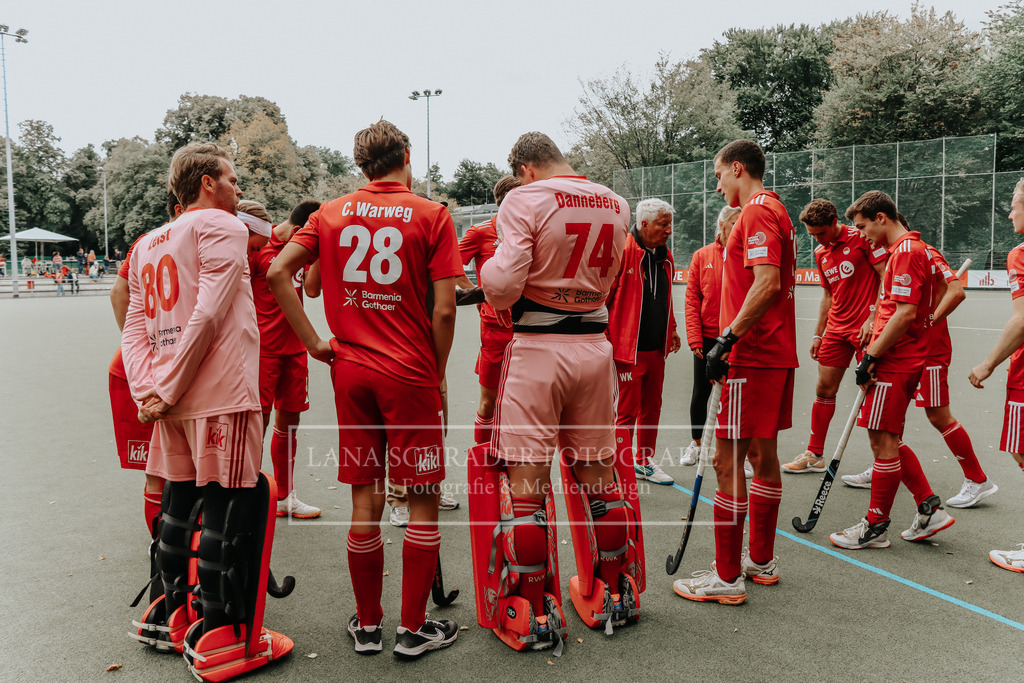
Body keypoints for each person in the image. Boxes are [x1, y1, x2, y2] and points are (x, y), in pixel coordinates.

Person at [268, 120, 461, 659]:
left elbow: (280, 272)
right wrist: (435, 370)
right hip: (409, 372)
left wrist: (313, 342)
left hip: (351, 371)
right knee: (421, 497)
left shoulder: (329, 212)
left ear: (360, 165)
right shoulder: (432, 214)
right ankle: (413, 629)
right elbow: (446, 310)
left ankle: (369, 626)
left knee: (365, 495)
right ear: (406, 154)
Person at [122, 143, 293, 679]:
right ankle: (226, 633)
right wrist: (167, 388)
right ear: (207, 183)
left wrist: (149, 390)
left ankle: (175, 616)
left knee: (177, 504)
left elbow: (134, 328)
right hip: (218, 390)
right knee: (228, 507)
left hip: (170, 397)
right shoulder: (221, 225)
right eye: (232, 179)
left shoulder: (148, 241)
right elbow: (209, 312)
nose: (238, 189)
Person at [475, 131, 639, 649]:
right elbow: (613, 275)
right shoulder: (615, 202)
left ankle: (532, 611)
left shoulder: (524, 198)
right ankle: (615, 591)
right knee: (600, 478)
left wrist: (487, 271)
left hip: (538, 348)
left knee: (527, 484)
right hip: (594, 346)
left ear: (525, 169)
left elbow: (503, 286)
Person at [673, 140, 796, 605]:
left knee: (727, 462)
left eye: (719, 174)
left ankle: (726, 578)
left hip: (751, 356)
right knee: (763, 458)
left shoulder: (757, 211)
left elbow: (767, 282)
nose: (717, 184)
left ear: (738, 168)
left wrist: (726, 339)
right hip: (772, 354)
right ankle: (760, 561)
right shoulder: (776, 209)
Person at [829, 191, 955, 550]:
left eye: (863, 226)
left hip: (894, 361)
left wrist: (870, 356)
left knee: (882, 441)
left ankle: (875, 526)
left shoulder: (906, 252)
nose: (861, 235)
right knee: (889, 439)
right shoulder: (907, 250)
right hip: (898, 359)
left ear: (881, 217)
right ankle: (928, 507)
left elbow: (904, 314)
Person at [782, 199, 886, 474]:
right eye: (812, 235)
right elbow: (828, 295)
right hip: (836, 330)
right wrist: (818, 334)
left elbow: (885, 277)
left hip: (865, 331)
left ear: (834, 223)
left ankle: (882, 462)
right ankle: (815, 455)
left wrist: (872, 318)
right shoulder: (821, 253)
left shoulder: (862, 238)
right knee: (824, 390)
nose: (817, 239)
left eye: (821, 233)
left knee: (872, 394)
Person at [248, 198, 323, 519]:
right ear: (297, 230)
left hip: (295, 350)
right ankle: (247, 496)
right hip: (262, 351)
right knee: (258, 424)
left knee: (290, 423)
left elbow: (313, 290)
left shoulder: (302, 250)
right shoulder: (257, 247)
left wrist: (321, 254)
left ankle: (285, 496)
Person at [606, 197, 681, 485]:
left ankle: (644, 461)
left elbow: (665, 296)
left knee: (652, 408)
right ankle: (619, 465)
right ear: (644, 224)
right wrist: (605, 340)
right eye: (663, 225)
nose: (668, 230)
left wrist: (671, 328)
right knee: (625, 411)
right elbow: (604, 299)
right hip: (627, 350)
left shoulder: (665, 255)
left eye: (670, 224)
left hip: (656, 348)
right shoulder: (622, 251)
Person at [970, 178, 1024, 571]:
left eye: (1015, 204)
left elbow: (1022, 320)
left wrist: (987, 363)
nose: (1009, 213)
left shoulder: (1020, 255)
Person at [457, 175, 520, 447]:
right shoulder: (481, 231)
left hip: (532, 328)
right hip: (495, 329)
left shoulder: (533, 231)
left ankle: (515, 459)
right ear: (504, 202)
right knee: (489, 401)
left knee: (524, 403)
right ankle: (484, 460)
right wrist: (479, 294)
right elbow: (451, 265)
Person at [682, 205, 740, 467]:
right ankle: (696, 444)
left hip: (734, 338)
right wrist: (695, 338)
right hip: (706, 338)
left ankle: (736, 451)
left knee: (734, 395)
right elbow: (692, 300)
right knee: (701, 391)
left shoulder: (745, 255)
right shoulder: (702, 255)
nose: (740, 228)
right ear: (722, 224)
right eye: (735, 223)